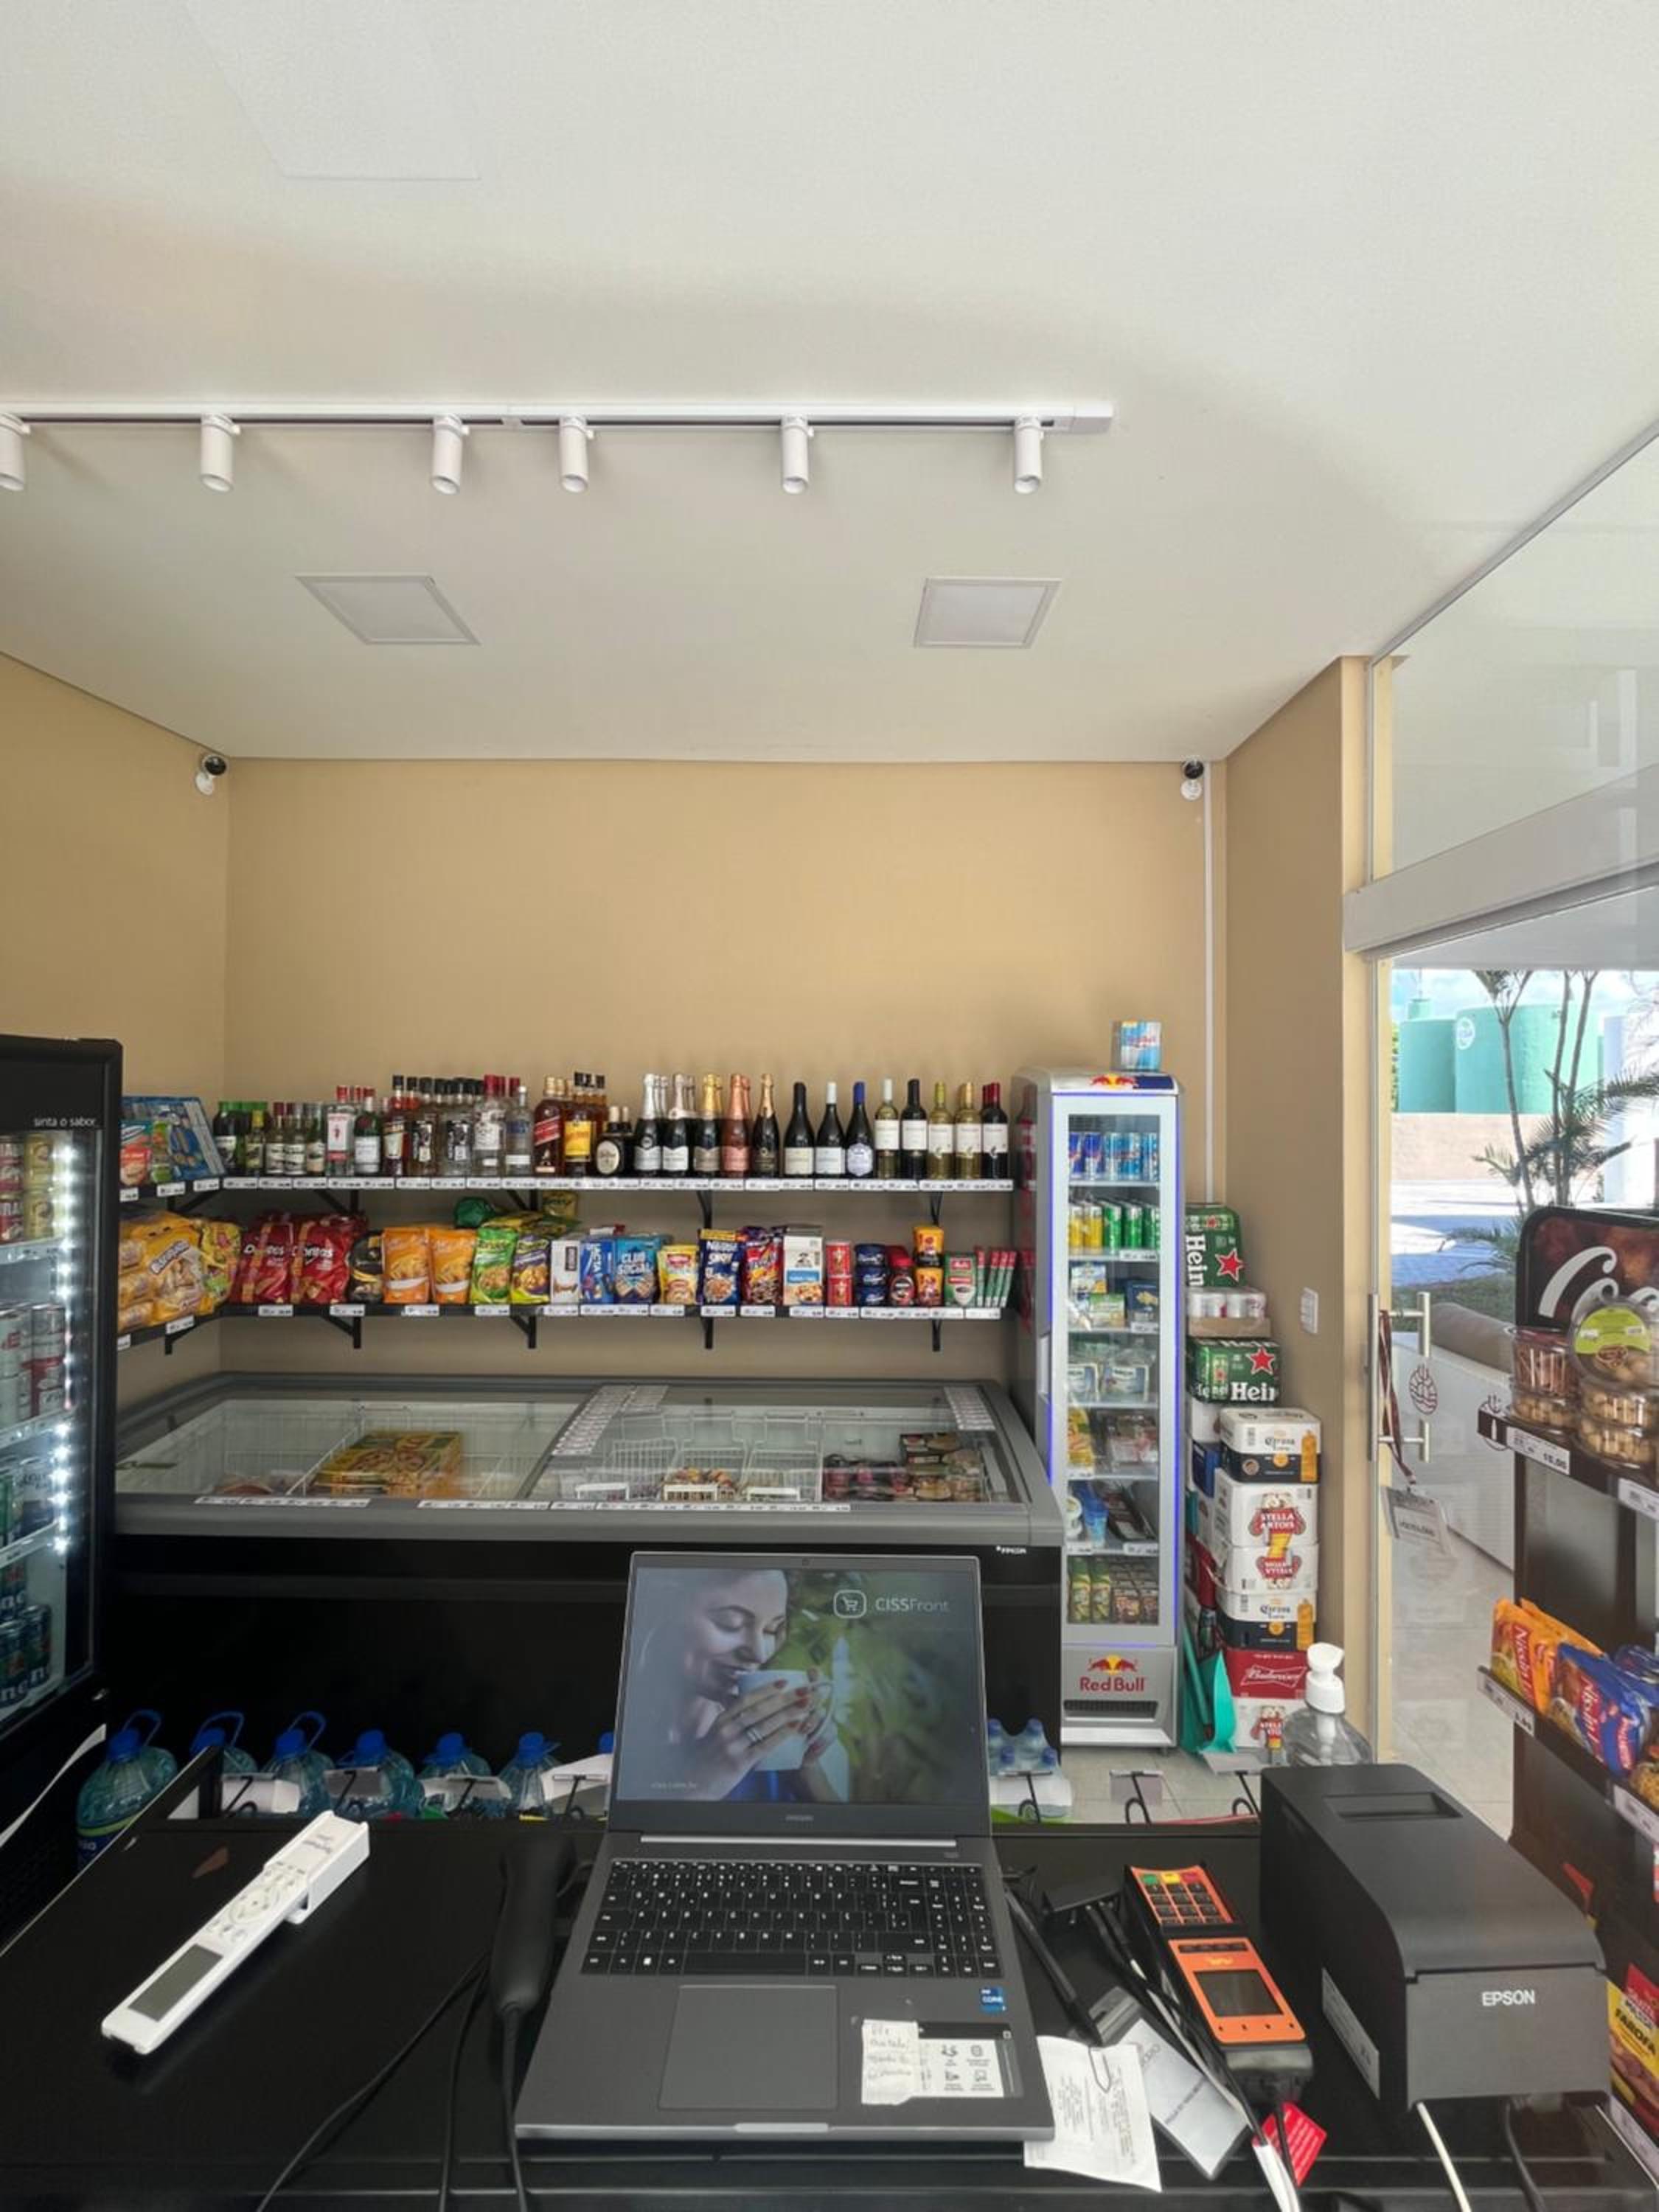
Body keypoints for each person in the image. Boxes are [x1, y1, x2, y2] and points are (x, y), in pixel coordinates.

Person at [630, 1565, 849, 1803]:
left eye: (772, 1630)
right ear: (665, 1612)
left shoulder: (790, 1749)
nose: (759, 1654)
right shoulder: (621, 1741)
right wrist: (698, 1789)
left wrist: (807, 1773)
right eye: (730, 1623)